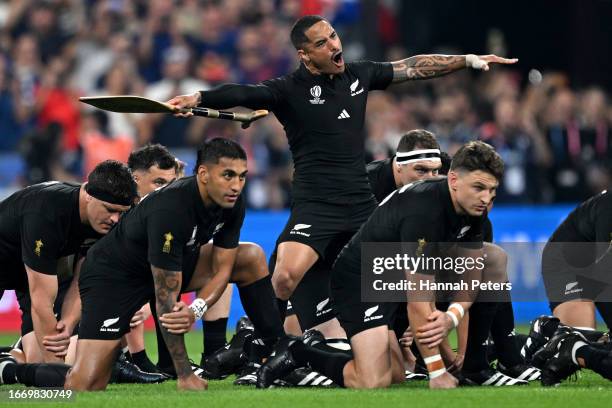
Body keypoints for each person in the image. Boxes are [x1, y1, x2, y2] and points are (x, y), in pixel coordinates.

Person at [167, 16, 517, 368]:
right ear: (305, 55)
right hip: (315, 207)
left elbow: (411, 67)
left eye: (333, 36)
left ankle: (438, 357)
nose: (334, 45)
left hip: (360, 205)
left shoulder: (359, 74)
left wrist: (469, 60)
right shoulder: (287, 89)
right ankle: (264, 349)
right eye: (322, 43)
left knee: (403, 279)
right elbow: (243, 92)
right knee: (285, 275)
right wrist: (199, 97)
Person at [0, 138, 285, 391]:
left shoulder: (228, 202)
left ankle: (276, 351)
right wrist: (57, 367)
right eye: (228, 175)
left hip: (120, 271)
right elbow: (43, 297)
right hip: (92, 278)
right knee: (80, 382)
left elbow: (221, 269)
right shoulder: (48, 214)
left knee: (249, 256)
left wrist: (197, 309)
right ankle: (10, 368)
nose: (236, 185)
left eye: (241, 177)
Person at [256, 141, 516, 389]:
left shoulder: (474, 210)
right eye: (479, 188)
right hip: (360, 280)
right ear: (454, 180)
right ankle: (300, 351)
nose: (486, 198)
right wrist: (437, 372)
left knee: (492, 258)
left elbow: (469, 276)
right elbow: (418, 300)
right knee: (372, 380)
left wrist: (452, 317)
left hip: (396, 279)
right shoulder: (424, 212)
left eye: (492, 191)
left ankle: (475, 364)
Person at [0, 160, 136, 365]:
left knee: (38, 360)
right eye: (109, 209)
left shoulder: (103, 221)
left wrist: (68, 322)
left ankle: (17, 355)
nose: (115, 219)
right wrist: (57, 372)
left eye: (121, 212)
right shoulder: (47, 213)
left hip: (36, 270)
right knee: (52, 365)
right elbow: (41, 300)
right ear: (88, 195)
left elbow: (83, 276)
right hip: (11, 262)